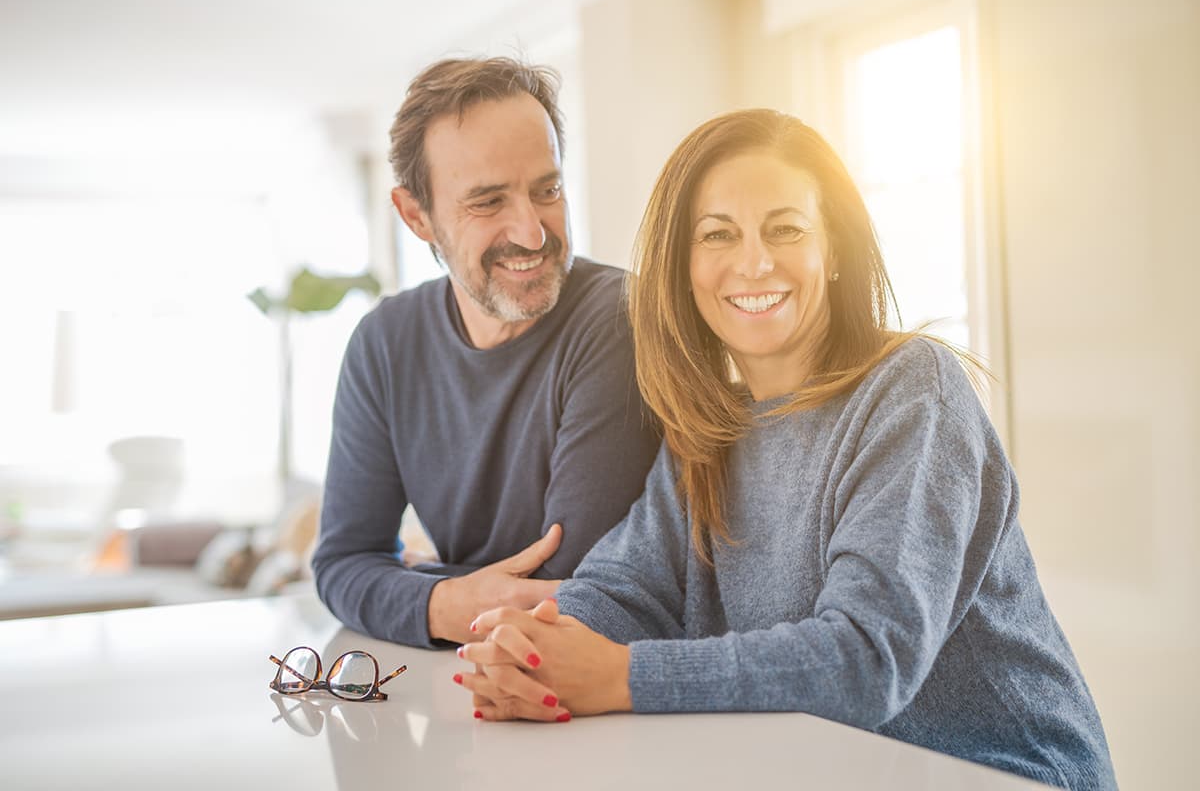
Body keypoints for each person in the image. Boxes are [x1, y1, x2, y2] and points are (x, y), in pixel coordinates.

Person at [454, 109, 1117, 790]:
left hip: (1005, 773)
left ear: (832, 251)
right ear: (683, 268)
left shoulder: (914, 391)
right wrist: (534, 647)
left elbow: (864, 657)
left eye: (787, 229)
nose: (754, 262)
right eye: (717, 234)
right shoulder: (708, 430)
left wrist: (621, 675)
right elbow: (627, 591)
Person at [312, 57, 660, 648]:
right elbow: (342, 564)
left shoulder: (620, 316)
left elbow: (570, 589)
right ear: (416, 215)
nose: (531, 232)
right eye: (488, 201)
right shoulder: (384, 344)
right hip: (470, 686)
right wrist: (445, 601)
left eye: (546, 189)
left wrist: (416, 588)